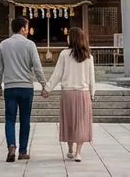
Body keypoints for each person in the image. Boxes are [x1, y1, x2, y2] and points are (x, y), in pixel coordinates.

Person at [0, 16, 48, 162]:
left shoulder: (3, 44)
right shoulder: (30, 45)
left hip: (10, 87)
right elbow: (37, 68)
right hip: (26, 87)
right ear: (23, 28)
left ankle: (11, 145)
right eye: (27, 27)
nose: (28, 30)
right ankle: (23, 151)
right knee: (25, 119)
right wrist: (44, 84)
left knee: (10, 119)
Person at [46, 27, 95, 162]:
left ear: (72, 38)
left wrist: (47, 88)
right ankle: (78, 152)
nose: (67, 38)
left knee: (68, 120)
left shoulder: (64, 54)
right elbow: (92, 78)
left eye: (68, 36)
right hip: (83, 92)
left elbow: (57, 74)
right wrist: (92, 94)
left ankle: (70, 149)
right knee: (81, 122)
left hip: (67, 92)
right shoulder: (88, 56)